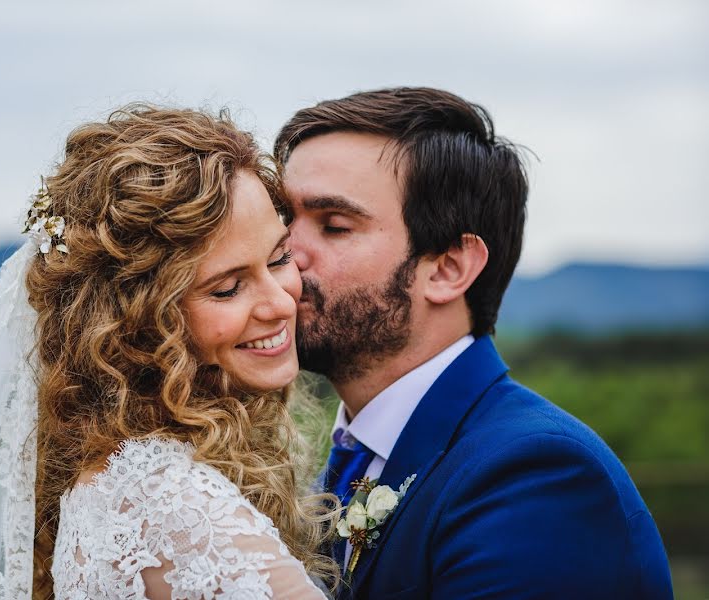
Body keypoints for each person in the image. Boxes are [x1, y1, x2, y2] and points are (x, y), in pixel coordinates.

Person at [0, 106, 337, 599]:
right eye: (226, 288)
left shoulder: (111, 472)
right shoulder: (170, 504)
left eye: (279, 257)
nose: (279, 302)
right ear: (136, 319)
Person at [275, 87, 674, 599]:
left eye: (333, 225)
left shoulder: (536, 478)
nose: (284, 253)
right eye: (284, 219)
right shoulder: (346, 461)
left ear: (448, 269)